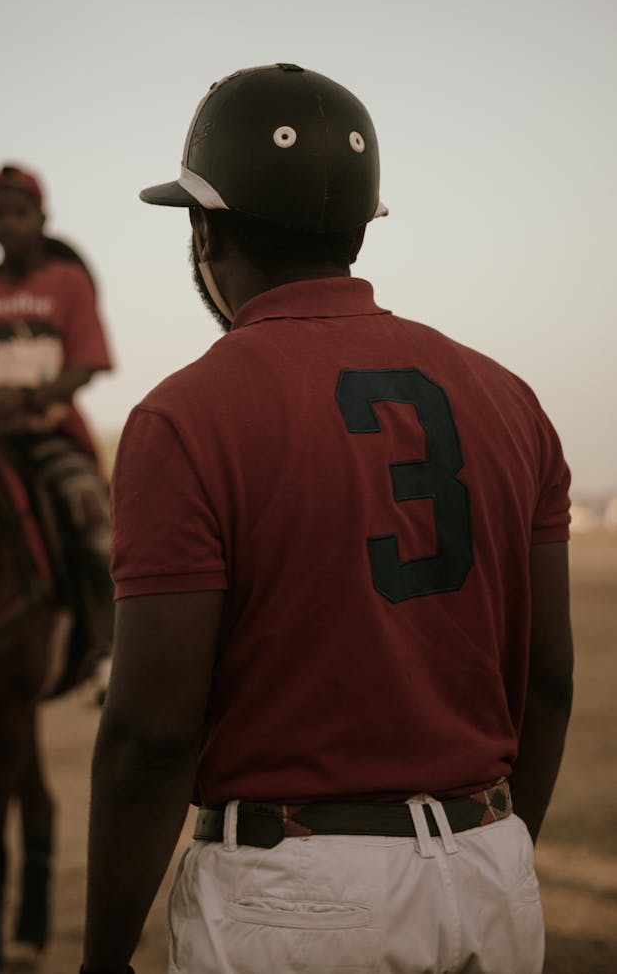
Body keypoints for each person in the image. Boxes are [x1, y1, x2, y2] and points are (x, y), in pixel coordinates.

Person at [82, 64, 572, 974]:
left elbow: (151, 738)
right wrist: (490, 859)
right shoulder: (510, 398)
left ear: (205, 229)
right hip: (492, 865)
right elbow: (545, 684)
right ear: (357, 228)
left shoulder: (182, 418)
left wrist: (102, 959)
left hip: (294, 898)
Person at [0, 163, 115, 682]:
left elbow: (86, 364)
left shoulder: (67, 283)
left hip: (49, 436)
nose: (9, 224)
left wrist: (28, 397)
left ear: (43, 218)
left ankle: (107, 648)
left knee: (92, 518)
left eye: (20, 213)